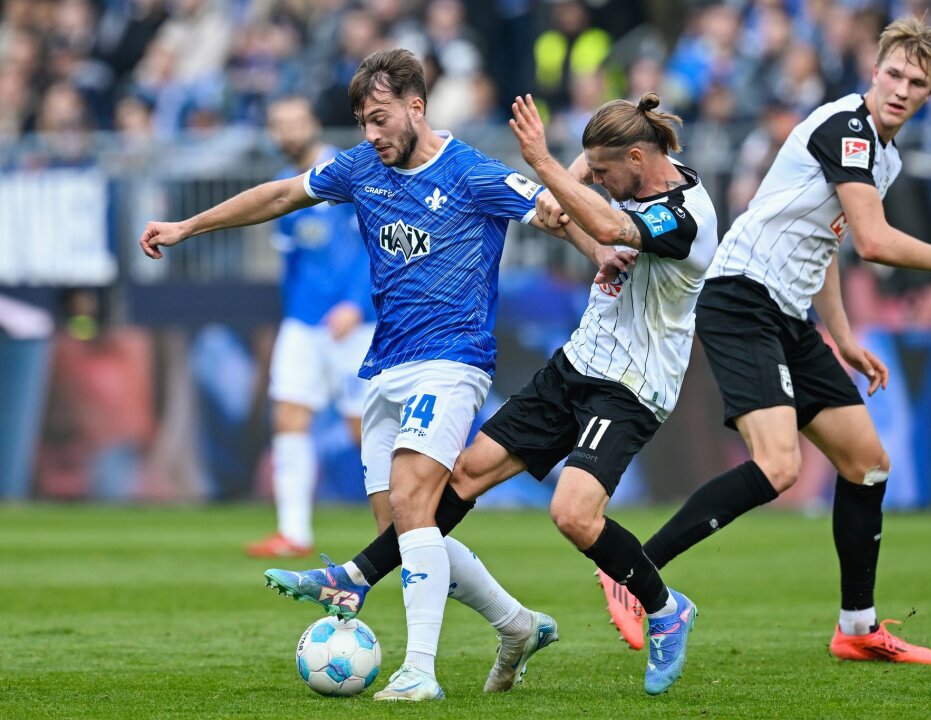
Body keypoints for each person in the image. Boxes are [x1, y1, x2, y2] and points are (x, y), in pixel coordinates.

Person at [141, 49, 628, 702]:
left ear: (415, 106)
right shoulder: (361, 167)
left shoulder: (471, 172)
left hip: (453, 363)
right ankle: (518, 625)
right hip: (386, 366)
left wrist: (601, 251)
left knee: (412, 506)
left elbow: (552, 210)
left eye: (378, 119)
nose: (370, 135)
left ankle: (419, 671)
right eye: (362, 123)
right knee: (402, 533)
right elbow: (283, 193)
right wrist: (188, 226)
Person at [265, 91, 720, 696]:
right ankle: (357, 577)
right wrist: (570, 170)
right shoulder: (629, 170)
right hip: (577, 364)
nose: (601, 183)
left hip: (632, 386)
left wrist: (541, 159)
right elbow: (580, 199)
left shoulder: (687, 213)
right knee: (459, 478)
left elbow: (609, 225)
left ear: (639, 159)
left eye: (607, 172)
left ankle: (665, 610)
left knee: (574, 514)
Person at [597, 16, 931, 663]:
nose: (902, 89)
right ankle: (632, 572)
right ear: (873, 72)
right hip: (741, 298)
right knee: (779, 467)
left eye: (918, 81)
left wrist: (842, 336)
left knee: (867, 463)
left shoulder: (884, 153)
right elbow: (874, 242)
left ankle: (856, 627)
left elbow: (831, 244)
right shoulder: (846, 129)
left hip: (788, 315)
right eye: (895, 74)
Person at [244, 96, 383, 559]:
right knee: (287, 416)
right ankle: (293, 532)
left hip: (351, 323)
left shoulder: (340, 174)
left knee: (362, 428)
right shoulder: (286, 186)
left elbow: (375, 242)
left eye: (293, 122)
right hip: (302, 324)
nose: (286, 132)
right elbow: (296, 266)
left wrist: (356, 303)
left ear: (313, 124)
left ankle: (405, 526)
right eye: (277, 123)